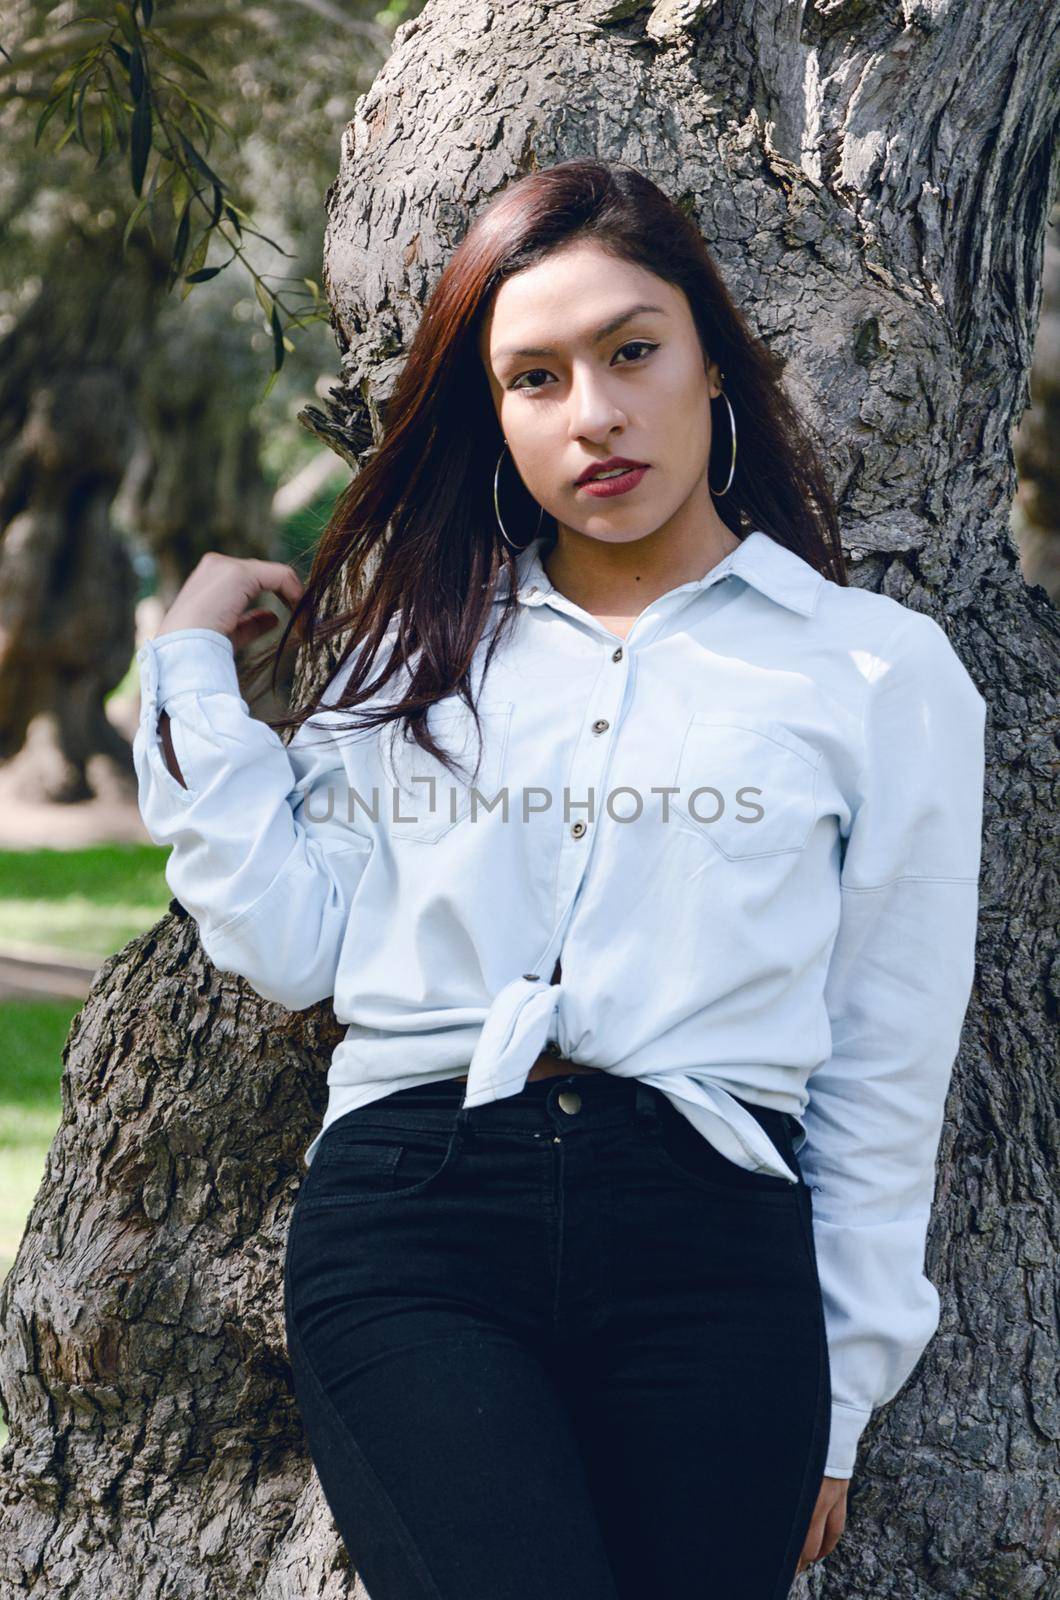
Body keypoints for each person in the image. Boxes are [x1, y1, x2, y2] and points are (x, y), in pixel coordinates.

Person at [132, 159, 986, 1599]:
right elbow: (291, 943)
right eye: (535, 378)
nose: (593, 412)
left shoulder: (874, 674)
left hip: (715, 1241)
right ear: (498, 421)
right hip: (420, 1219)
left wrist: (841, 1389)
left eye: (632, 351)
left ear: (713, 365)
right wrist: (189, 677)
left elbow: (889, 1065)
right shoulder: (416, 655)